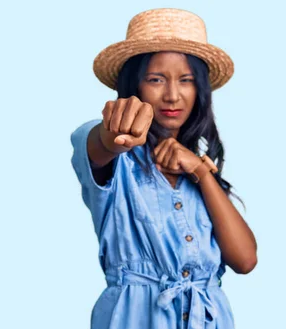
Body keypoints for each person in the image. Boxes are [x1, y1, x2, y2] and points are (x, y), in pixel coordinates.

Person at [70, 8, 257, 329]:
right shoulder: (116, 161)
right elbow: (99, 143)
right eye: (156, 79)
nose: (172, 95)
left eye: (186, 80)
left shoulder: (202, 172)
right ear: (134, 86)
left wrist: (201, 172)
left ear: (200, 90)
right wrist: (114, 134)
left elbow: (245, 260)